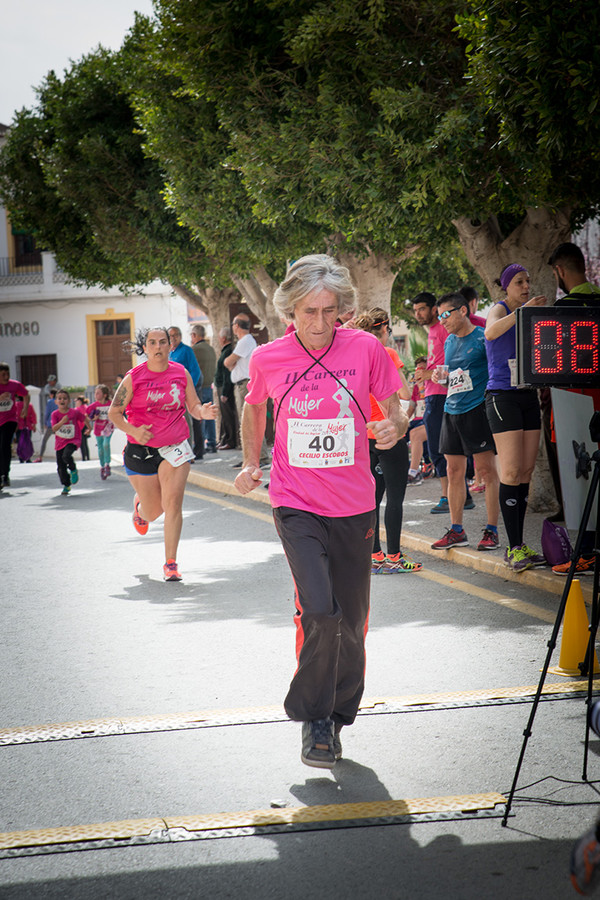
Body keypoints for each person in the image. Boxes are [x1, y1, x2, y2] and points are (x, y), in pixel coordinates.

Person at [234, 254, 407, 769]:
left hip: (354, 505)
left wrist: (395, 425)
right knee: (319, 610)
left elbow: (396, 403)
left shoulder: (366, 348)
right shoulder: (269, 358)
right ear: (290, 310)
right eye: (309, 311)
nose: (319, 322)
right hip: (296, 502)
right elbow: (253, 405)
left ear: (341, 310)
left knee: (351, 621)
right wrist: (250, 462)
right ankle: (314, 719)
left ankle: (337, 713)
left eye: (330, 310)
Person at [108, 326, 217, 582]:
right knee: (154, 512)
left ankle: (171, 563)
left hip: (175, 447)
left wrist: (202, 412)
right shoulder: (134, 378)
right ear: (145, 348)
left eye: (163, 342)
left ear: (170, 345)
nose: (158, 347)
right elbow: (114, 413)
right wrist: (134, 430)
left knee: (173, 504)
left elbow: (193, 405)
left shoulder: (181, 373)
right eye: (152, 343)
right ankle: (140, 508)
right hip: (141, 451)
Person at [484, 263, 548, 572]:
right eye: (519, 282)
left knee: (525, 471)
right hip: (502, 397)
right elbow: (490, 332)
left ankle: (520, 545)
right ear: (506, 286)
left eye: (527, 281)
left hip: (527, 394)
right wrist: (522, 313)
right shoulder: (500, 310)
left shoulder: (529, 313)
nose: (525, 286)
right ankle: (513, 548)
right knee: (509, 472)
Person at [430, 293, 500, 552]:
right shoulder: (449, 341)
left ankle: (492, 531)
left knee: (487, 471)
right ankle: (457, 530)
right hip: (451, 410)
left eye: (445, 314)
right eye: (439, 316)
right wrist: (440, 377)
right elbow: (451, 377)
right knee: (453, 472)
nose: (442, 320)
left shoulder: (483, 337)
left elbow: (495, 373)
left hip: (476, 410)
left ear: (462, 311)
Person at [354, 308, 422, 574]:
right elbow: (403, 392)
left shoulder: (355, 355)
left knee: (371, 500)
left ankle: (375, 556)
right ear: (384, 329)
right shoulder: (387, 353)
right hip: (390, 434)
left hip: (365, 435)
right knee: (394, 499)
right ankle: (394, 556)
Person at [548, 242, 600, 577]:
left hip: (573, 406)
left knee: (579, 481)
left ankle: (585, 553)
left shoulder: (563, 309)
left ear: (559, 271)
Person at [411, 293, 475, 515]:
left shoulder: (443, 329)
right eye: (415, 310)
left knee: (442, 449)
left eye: (421, 309)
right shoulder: (434, 331)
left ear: (433, 309)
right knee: (439, 449)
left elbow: (454, 363)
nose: (418, 314)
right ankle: (459, 496)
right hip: (432, 394)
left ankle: (450, 496)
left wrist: (428, 374)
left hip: (442, 394)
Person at [225, 314, 270, 466]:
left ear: (236, 326)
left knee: (251, 422)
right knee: (247, 423)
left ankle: (261, 457)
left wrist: (231, 364)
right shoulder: (245, 341)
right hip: (242, 384)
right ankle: (250, 458)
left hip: (246, 385)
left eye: (233, 324)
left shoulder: (246, 340)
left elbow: (228, 362)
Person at [168, 325, 202, 453]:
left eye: (176, 335)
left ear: (180, 336)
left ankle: (190, 451)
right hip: (172, 395)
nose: (173, 338)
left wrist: (188, 389)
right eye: (171, 336)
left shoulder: (187, 350)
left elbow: (195, 371)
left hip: (184, 393)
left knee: (188, 423)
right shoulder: (169, 353)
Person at [51, 389, 91, 495]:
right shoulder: (55, 414)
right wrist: (62, 422)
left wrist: (89, 428)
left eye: (64, 398)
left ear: (69, 401)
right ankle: (66, 485)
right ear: (56, 401)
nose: (62, 400)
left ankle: (73, 469)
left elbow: (84, 418)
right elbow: (54, 428)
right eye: (59, 398)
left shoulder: (74, 412)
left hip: (73, 440)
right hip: (60, 443)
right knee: (61, 467)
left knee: (66, 455)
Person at [0, 363, 30, 489]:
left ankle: (5, 475)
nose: (6, 377)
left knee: (5, 446)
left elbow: (26, 394)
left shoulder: (14, 385)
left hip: (10, 420)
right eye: (3, 375)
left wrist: (25, 408)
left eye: (7, 374)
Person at [190, 324, 218, 456]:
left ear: (195, 335)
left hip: (199, 387)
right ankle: (212, 443)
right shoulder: (210, 349)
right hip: (209, 385)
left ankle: (199, 445)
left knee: (199, 416)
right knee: (210, 416)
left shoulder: (194, 350)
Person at [214, 326, 238, 449]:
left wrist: (224, 392)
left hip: (225, 388)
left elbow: (227, 375)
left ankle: (230, 441)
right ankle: (224, 439)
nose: (218, 339)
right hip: (221, 387)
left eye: (219, 337)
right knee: (224, 415)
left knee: (228, 416)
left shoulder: (228, 351)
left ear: (223, 338)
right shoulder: (225, 350)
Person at [407, 356, 428, 485]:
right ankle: (404, 467)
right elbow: (411, 409)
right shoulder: (415, 388)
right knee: (400, 432)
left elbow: (428, 402)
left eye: (422, 368)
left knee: (415, 434)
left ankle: (414, 473)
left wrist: (422, 387)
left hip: (428, 419)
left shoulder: (432, 384)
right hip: (417, 419)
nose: (419, 371)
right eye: (418, 368)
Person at [87, 384, 114, 479]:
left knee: (106, 444)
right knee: (100, 448)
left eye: (98, 393)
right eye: (95, 393)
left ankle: (107, 464)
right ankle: (102, 466)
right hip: (98, 428)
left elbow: (117, 412)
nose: (95, 395)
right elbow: (87, 416)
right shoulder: (94, 406)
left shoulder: (111, 404)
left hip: (108, 428)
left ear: (105, 395)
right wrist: (93, 418)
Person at [35, 389, 58, 461]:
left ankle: (40, 457)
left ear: (52, 395)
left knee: (44, 440)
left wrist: (45, 423)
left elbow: (47, 413)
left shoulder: (50, 402)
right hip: (58, 424)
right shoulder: (58, 402)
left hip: (51, 424)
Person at [15, 397, 37, 463]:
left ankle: (21, 458)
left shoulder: (16, 405)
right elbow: (33, 415)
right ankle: (28, 458)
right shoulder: (29, 405)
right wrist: (34, 425)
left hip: (19, 426)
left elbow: (15, 415)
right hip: (28, 426)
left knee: (20, 442)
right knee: (27, 442)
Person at [75, 396, 90, 461]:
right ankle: (88, 457)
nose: (76, 402)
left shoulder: (77, 409)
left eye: (77, 401)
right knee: (85, 443)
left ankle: (84, 457)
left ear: (79, 401)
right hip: (86, 426)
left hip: (80, 426)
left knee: (81, 443)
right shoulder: (86, 407)